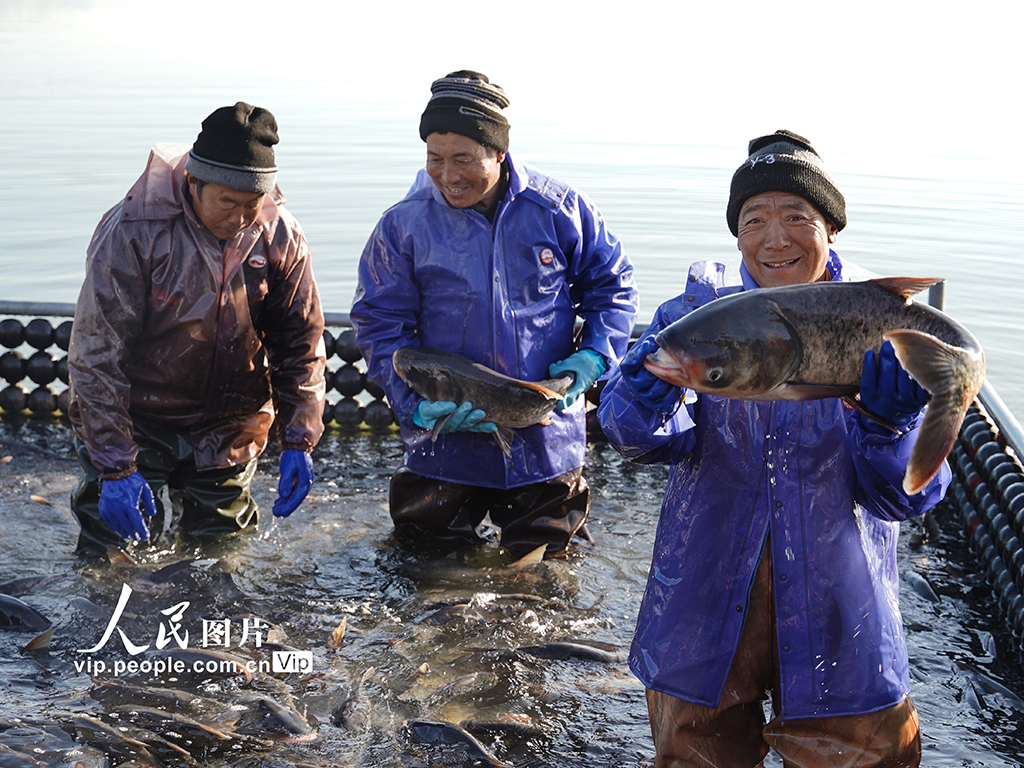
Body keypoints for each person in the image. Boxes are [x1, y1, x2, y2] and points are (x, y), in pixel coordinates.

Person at [597, 130, 951, 767]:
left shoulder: (884, 328)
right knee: (696, 755)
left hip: (844, 605)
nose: (775, 237)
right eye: (754, 219)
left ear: (830, 229)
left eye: (798, 217)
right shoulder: (697, 315)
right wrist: (646, 390)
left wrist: (891, 426)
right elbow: (632, 434)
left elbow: (907, 499)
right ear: (737, 235)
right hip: (705, 594)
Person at [351, 70, 638, 559]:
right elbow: (380, 324)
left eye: (463, 158)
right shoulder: (402, 225)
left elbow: (612, 288)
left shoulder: (560, 209)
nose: (448, 175)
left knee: (548, 578)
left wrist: (593, 356)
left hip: (545, 442)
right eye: (434, 159)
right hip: (443, 443)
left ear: (499, 152)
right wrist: (413, 405)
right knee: (426, 576)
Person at [67, 102, 326, 557]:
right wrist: (114, 466)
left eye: (253, 204)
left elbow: (300, 341)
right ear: (194, 182)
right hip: (138, 418)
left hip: (230, 421)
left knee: (220, 559)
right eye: (228, 202)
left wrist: (298, 437)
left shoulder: (279, 234)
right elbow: (96, 353)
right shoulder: (134, 231)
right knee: (114, 554)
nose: (241, 217)